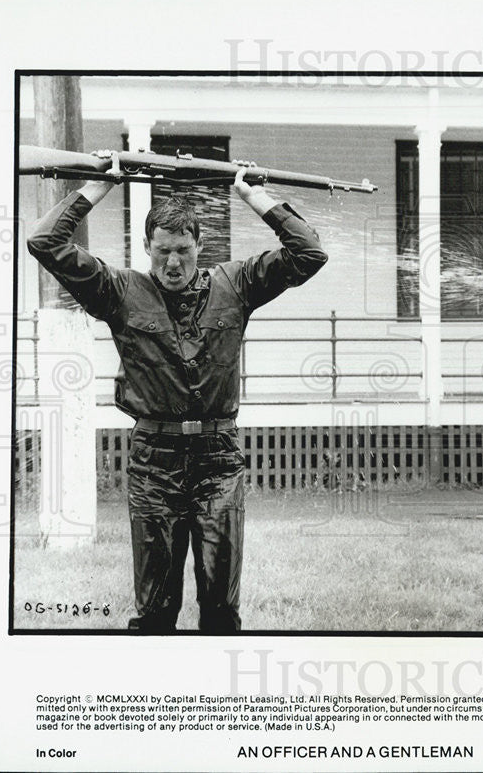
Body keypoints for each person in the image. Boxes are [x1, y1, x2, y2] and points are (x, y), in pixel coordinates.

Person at [27, 156, 327, 633]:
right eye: (162, 251)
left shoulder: (238, 284)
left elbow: (309, 253)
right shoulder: (118, 290)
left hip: (218, 463)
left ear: (199, 245)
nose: (172, 263)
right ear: (146, 245)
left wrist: (254, 197)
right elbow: (45, 242)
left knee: (222, 612)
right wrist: (97, 187)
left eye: (183, 250)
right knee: (155, 613)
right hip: (154, 465)